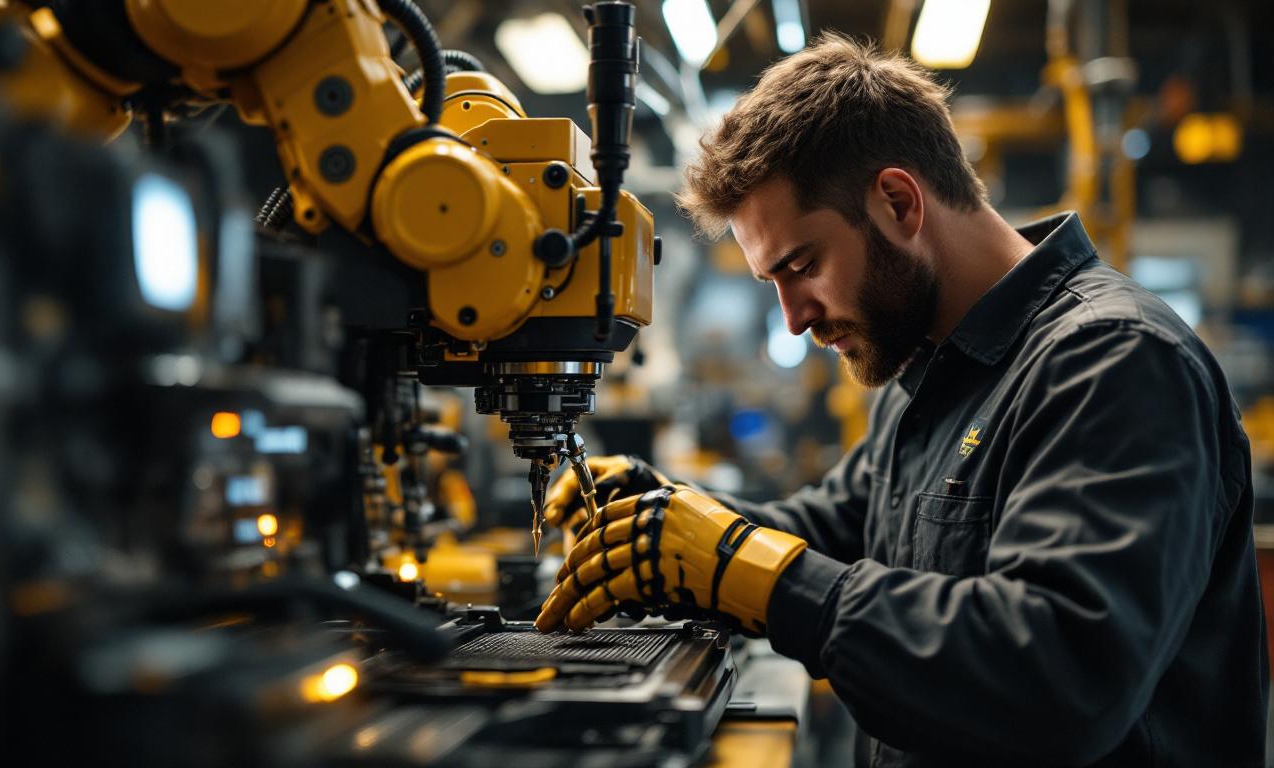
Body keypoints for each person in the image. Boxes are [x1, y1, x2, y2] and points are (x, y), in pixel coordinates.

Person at [533, 33, 1267, 766]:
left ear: (897, 202)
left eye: (802, 266)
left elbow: (1061, 675)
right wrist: (665, 520)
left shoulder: (1112, 360)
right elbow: (838, 529)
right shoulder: (926, 362)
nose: (794, 318)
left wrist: (744, 568)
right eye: (774, 282)